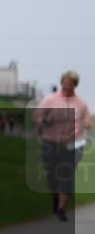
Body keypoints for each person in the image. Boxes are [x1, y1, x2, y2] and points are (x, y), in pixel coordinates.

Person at [32, 70, 92, 222]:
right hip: (51, 141)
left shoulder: (81, 103)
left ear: (75, 85)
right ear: (61, 83)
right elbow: (37, 115)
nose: (68, 86)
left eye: (71, 83)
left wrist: (87, 124)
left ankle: (61, 208)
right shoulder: (50, 99)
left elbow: (87, 119)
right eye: (65, 83)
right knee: (52, 175)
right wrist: (44, 121)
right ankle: (56, 197)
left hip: (73, 142)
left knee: (67, 174)